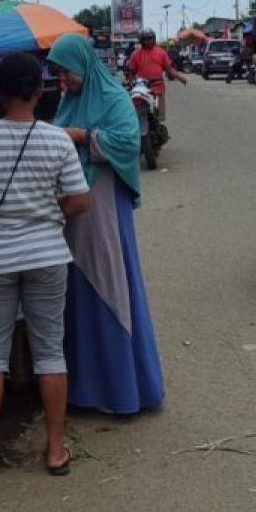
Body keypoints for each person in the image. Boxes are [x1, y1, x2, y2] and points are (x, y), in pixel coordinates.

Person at [0, 52, 92, 483]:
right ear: (40, 91)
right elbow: (81, 200)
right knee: (50, 353)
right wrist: (47, 218)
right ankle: (55, 451)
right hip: (48, 256)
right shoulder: (58, 140)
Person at [47, 34, 165, 414]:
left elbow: (128, 141)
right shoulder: (69, 100)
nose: (63, 80)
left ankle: (120, 390)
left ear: (83, 64)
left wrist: (80, 136)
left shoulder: (113, 97)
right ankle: (83, 389)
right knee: (77, 287)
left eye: (66, 71)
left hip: (102, 204)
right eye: (59, 73)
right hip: (72, 206)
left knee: (108, 281)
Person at [126, 29, 187, 121]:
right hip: (142, 89)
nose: (150, 41)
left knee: (160, 118)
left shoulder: (161, 52)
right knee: (136, 113)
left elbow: (170, 69)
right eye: (147, 39)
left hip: (158, 88)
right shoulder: (136, 54)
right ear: (142, 40)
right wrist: (131, 83)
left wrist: (181, 78)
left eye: (151, 38)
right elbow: (131, 72)